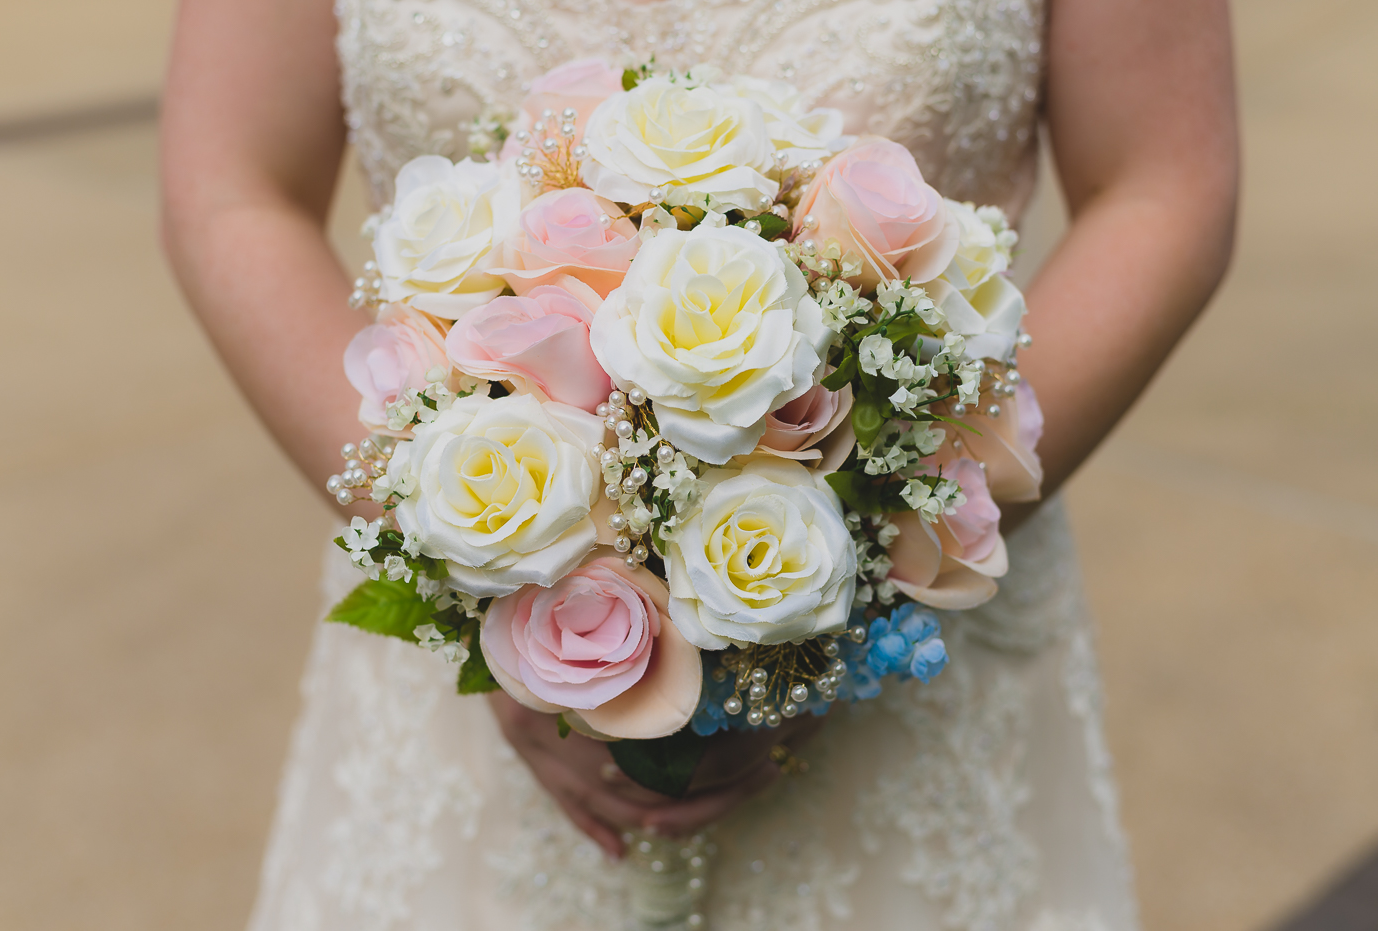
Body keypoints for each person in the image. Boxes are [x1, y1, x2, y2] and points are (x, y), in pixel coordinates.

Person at [161, 0, 1237, 927]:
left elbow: (1162, 185)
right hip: (469, 654)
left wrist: (849, 585)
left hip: (923, 654)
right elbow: (232, 188)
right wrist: (478, 581)